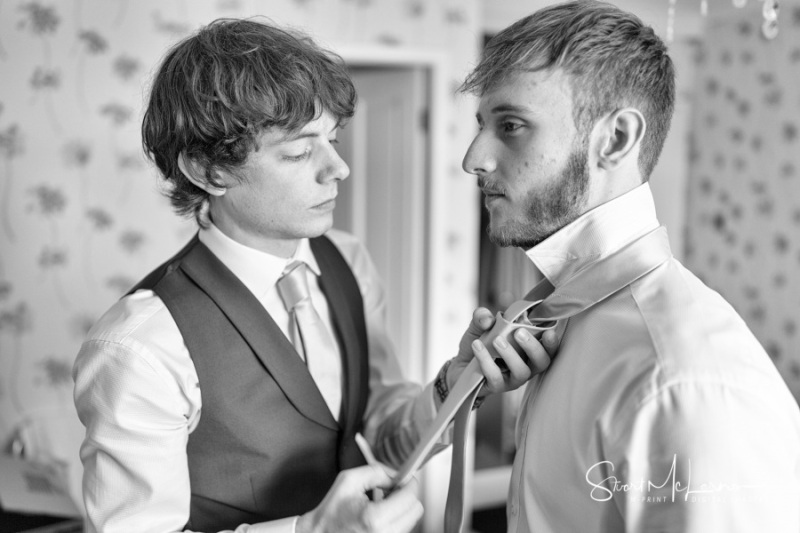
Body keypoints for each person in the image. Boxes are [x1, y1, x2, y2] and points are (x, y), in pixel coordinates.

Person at [72, 17, 553, 533]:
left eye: (334, 140)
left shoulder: (348, 262)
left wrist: (453, 385)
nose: (338, 169)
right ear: (208, 170)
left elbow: (382, 431)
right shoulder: (140, 344)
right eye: (299, 151)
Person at [459, 1, 800, 532]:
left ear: (615, 139)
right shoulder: (559, 316)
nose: (473, 158)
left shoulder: (682, 382)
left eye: (511, 125)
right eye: (483, 125)